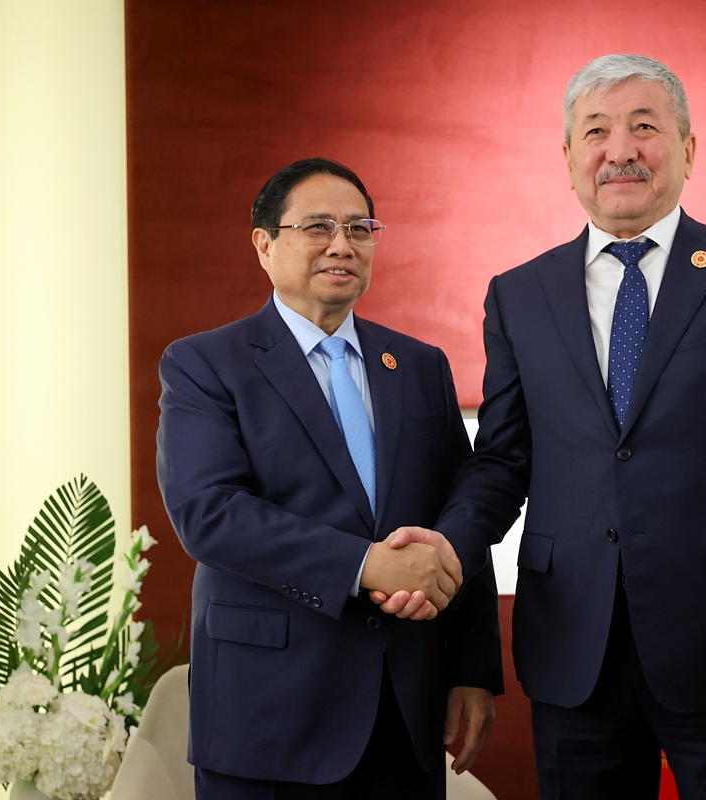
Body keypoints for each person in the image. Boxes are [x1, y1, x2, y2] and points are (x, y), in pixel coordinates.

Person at [376, 54, 706, 799]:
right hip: (574, 651)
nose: (620, 150)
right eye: (596, 131)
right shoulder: (519, 294)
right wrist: (449, 545)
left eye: (644, 127)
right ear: (569, 156)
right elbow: (503, 460)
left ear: (688, 149)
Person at [156, 158, 502, 800]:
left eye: (359, 228)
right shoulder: (205, 364)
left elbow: (459, 514)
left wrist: (472, 669)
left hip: (405, 708)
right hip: (268, 713)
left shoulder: (419, 366)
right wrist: (366, 565)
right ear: (264, 244)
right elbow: (210, 512)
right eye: (318, 227)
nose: (342, 244)